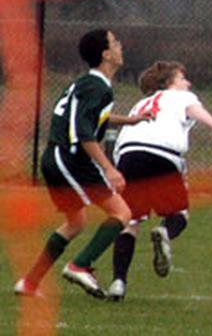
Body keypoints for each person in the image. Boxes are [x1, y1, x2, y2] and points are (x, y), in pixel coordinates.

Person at [14, 28, 151, 299]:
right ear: (106, 54)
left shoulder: (89, 83)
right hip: (70, 158)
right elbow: (83, 133)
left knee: (75, 223)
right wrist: (109, 169)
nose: (120, 46)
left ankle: (29, 283)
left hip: (55, 157)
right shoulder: (98, 87)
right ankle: (81, 265)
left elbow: (94, 119)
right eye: (115, 42)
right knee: (122, 213)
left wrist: (131, 120)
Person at [106, 60, 212, 301]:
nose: (187, 83)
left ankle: (118, 283)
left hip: (128, 156)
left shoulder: (140, 103)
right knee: (180, 212)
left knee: (130, 222)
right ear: (170, 83)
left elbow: (126, 133)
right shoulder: (180, 97)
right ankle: (164, 232)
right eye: (182, 78)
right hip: (162, 154)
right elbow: (194, 111)